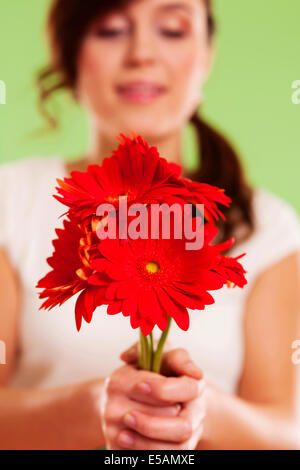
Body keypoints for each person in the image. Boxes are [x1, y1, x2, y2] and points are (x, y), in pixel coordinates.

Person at [0, 0, 300, 450]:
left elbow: (288, 432)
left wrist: (200, 409)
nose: (141, 53)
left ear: (206, 56)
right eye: (111, 30)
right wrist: (95, 407)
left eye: (173, 30)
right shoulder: (11, 198)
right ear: (70, 55)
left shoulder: (267, 225)